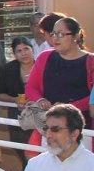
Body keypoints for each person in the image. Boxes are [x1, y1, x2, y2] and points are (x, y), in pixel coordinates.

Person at [25, 16, 92, 146]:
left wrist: (66, 108)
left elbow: (92, 98)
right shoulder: (45, 57)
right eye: (53, 34)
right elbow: (31, 87)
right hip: (50, 128)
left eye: (61, 34)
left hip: (81, 129)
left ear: (76, 36)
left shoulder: (91, 61)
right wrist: (40, 100)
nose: (55, 38)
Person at [0, 37, 37, 162]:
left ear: (32, 50)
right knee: (21, 149)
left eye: (26, 49)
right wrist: (15, 100)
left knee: (37, 152)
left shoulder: (42, 65)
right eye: (19, 51)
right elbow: (0, 94)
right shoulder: (8, 69)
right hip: (17, 116)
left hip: (40, 116)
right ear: (14, 54)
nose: (23, 53)